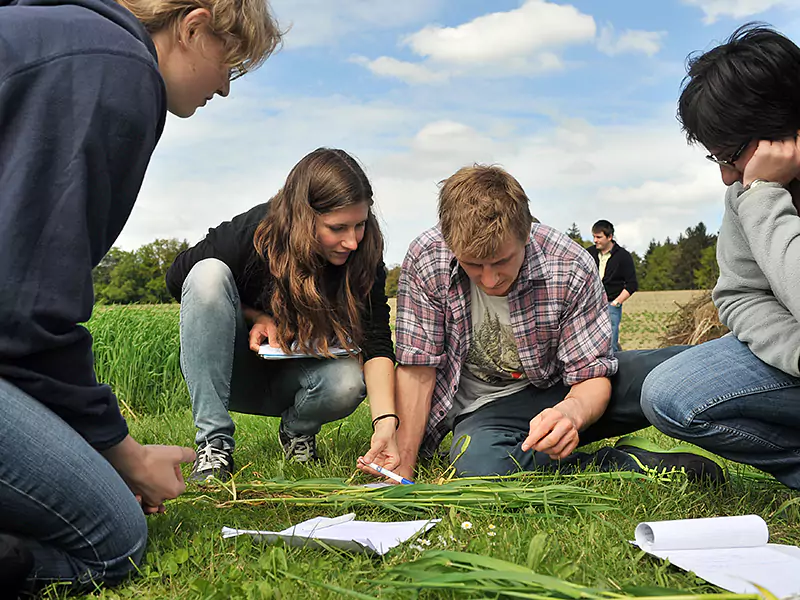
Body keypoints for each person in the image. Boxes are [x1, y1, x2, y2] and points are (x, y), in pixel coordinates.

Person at [0, 0, 281, 594]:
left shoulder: (50, 30)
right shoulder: (117, 68)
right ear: (193, 25)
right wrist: (121, 452)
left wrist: (90, 448)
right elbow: (24, 311)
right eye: (229, 63)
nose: (226, 89)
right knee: (115, 538)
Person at [392, 165, 723, 481]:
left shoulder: (569, 265)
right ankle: (621, 464)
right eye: (474, 265)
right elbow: (418, 368)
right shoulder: (426, 258)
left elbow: (591, 376)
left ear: (526, 234)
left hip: (567, 388)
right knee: (477, 461)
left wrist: (571, 413)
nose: (490, 280)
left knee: (687, 368)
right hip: (489, 411)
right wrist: (403, 463)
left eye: (502, 261)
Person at [165, 148, 400, 483]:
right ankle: (214, 446)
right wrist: (255, 316)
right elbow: (178, 278)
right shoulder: (251, 231)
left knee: (349, 380)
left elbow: (377, 342)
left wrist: (386, 424)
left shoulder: (364, 255)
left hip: (300, 378)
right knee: (207, 274)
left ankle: (297, 431)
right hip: (235, 372)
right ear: (303, 218)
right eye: (337, 228)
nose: (351, 241)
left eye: (360, 225)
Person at [641, 24, 800, 490]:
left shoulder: (757, 193)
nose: (728, 178)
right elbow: (739, 295)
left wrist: (765, 199)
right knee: (669, 394)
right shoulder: (747, 191)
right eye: (716, 160)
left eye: (731, 155)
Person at [587, 220, 638, 353]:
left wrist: (616, 302)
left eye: (599, 237)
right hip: (590, 305)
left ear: (609, 237)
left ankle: (614, 371)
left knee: (611, 346)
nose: (595, 240)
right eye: (593, 236)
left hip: (611, 305)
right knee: (589, 344)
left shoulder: (623, 256)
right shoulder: (588, 254)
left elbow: (632, 284)